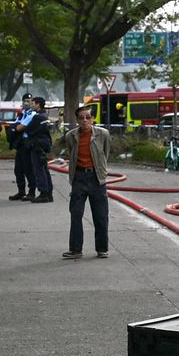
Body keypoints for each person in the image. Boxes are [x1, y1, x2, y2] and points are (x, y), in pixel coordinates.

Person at [61, 104, 111, 259]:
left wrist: (101, 172)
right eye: (81, 118)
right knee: (75, 214)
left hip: (97, 179)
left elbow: (106, 152)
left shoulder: (103, 134)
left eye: (88, 117)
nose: (85, 121)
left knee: (101, 215)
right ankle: (76, 249)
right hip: (79, 178)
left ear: (93, 119)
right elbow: (71, 152)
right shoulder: (71, 136)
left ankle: (102, 249)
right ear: (77, 120)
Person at [7, 93, 36, 201]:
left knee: (28, 169)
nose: (27, 102)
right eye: (25, 100)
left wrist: (14, 128)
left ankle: (31, 192)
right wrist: (14, 127)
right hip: (20, 144)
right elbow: (14, 126)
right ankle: (21, 191)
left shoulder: (32, 114)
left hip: (27, 143)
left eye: (29, 100)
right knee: (18, 169)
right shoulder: (22, 113)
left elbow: (19, 127)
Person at [26, 97, 54, 203]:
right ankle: (48, 193)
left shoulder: (38, 117)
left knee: (39, 170)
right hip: (44, 145)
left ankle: (43, 193)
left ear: (38, 105)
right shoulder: (44, 116)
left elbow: (29, 129)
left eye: (33, 103)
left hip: (37, 146)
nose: (31, 105)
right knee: (44, 169)